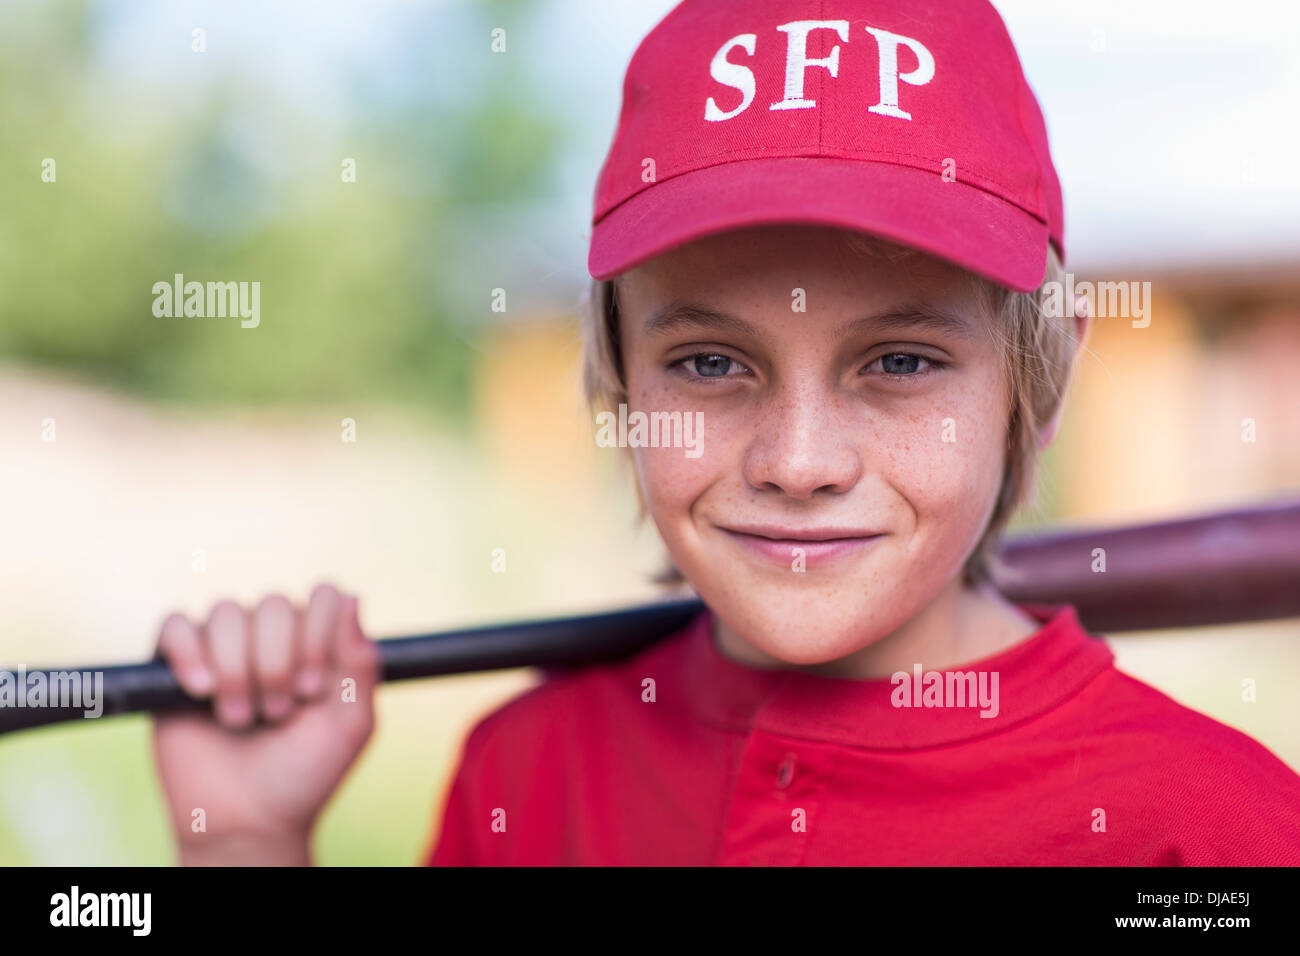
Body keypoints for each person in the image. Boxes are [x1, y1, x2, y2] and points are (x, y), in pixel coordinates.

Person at [151, 0, 1300, 865]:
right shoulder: (529, 773)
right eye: (709, 363)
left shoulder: (1206, 832)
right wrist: (246, 836)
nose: (798, 461)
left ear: (1036, 386)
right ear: (612, 375)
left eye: (899, 362)